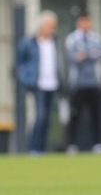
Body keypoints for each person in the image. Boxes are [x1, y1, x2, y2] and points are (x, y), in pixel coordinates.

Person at [16, 10, 64, 155]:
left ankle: (42, 148)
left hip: (52, 84)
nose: (52, 29)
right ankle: (33, 148)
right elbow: (20, 64)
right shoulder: (28, 43)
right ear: (42, 26)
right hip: (38, 85)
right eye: (50, 26)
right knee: (40, 117)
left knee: (48, 119)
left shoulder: (55, 42)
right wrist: (27, 80)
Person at [64, 12, 101, 154]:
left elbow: (100, 55)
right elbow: (73, 57)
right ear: (78, 23)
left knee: (97, 115)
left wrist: (84, 55)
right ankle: (72, 144)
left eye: (88, 21)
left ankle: (98, 144)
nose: (85, 24)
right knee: (75, 115)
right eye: (83, 21)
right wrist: (87, 55)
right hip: (78, 83)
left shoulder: (97, 38)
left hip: (94, 83)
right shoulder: (72, 39)